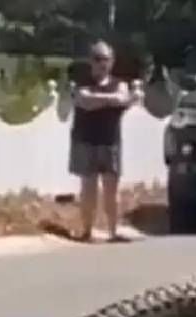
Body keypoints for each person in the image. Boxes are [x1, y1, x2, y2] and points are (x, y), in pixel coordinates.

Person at [69, 41, 138, 242]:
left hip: (110, 142)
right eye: (97, 59)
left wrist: (99, 98)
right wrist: (110, 99)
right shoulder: (82, 81)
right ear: (91, 61)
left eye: (105, 59)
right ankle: (87, 231)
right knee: (88, 188)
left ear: (112, 61)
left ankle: (113, 231)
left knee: (111, 190)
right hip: (85, 140)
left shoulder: (120, 83)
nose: (101, 64)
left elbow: (123, 99)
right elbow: (84, 101)